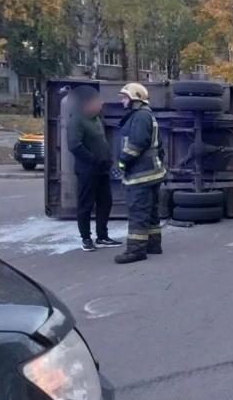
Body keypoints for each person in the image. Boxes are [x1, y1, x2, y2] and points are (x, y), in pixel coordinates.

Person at [114, 83, 166, 264]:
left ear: (135, 99)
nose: (122, 101)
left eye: (125, 97)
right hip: (151, 173)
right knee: (150, 212)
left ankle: (135, 251)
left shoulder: (140, 117)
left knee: (138, 212)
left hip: (141, 174)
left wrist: (122, 162)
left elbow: (136, 144)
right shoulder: (145, 115)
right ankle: (153, 244)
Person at [66, 86, 122, 251]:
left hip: (102, 169)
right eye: (98, 102)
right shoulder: (77, 120)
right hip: (87, 170)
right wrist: (92, 160)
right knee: (86, 204)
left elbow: (102, 142)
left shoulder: (96, 119)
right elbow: (74, 145)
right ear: (87, 104)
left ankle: (102, 236)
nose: (101, 104)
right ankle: (86, 238)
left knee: (105, 202)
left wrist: (107, 160)